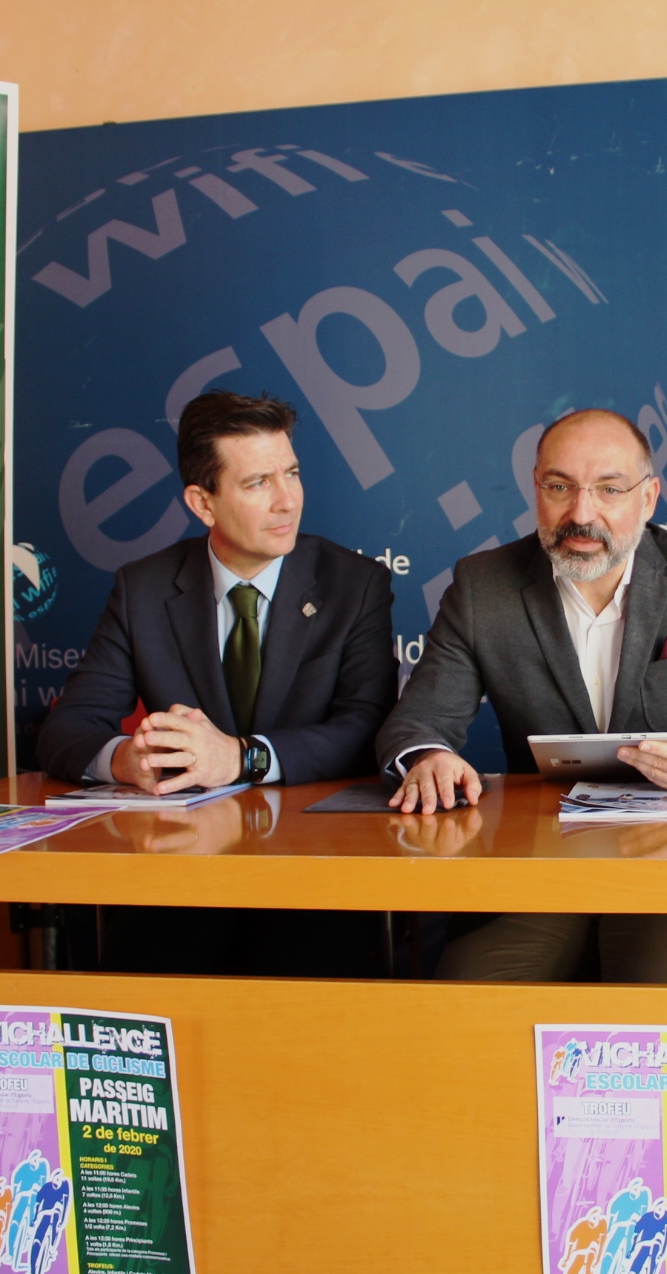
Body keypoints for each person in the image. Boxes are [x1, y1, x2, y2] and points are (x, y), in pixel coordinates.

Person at [375, 407, 667, 982]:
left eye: (609, 489)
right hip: (538, 865)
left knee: (657, 1005)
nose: (581, 513)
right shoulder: (484, 586)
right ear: (537, 489)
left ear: (649, 497)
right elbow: (417, 721)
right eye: (560, 487)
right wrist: (429, 757)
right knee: (471, 999)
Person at [37, 391, 397, 977]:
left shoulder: (354, 584)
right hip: (183, 874)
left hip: (314, 874)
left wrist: (241, 757)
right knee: (142, 967)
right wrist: (127, 760)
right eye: (258, 483)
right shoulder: (144, 588)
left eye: (292, 474)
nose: (287, 501)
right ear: (202, 503)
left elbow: (368, 727)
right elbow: (66, 729)